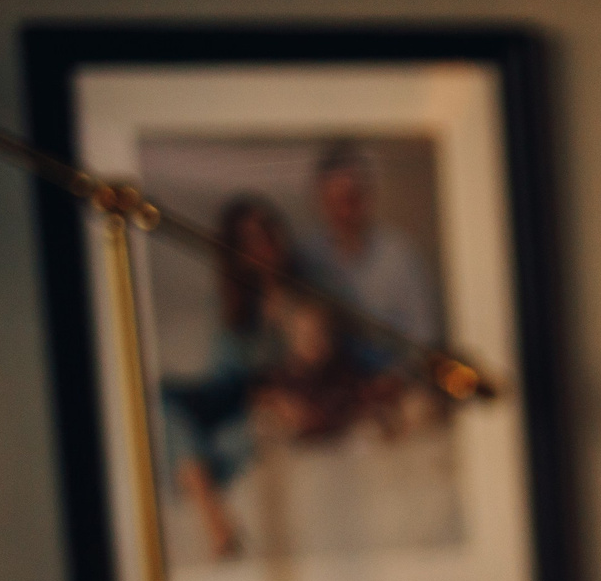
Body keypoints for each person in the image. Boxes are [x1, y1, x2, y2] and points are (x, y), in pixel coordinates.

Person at [161, 194, 293, 559]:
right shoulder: (234, 299)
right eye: (247, 239)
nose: (261, 245)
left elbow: (303, 363)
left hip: (260, 402)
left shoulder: (302, 291)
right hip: (227, 393)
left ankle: (205, 500)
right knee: (166, 402)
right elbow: (230, 366)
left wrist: (279, 311)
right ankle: (218, 523)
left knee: (221, 443)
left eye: (265, 232)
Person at [299, 142, 440, 372]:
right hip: (328, 384)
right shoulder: (307, 256)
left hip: (393, 381)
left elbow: (423, 339)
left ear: (369, 196)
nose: (344, 212)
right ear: (320, 199)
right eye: (334, 201)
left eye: (352, 199)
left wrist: (395, 378)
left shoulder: (401, 255)